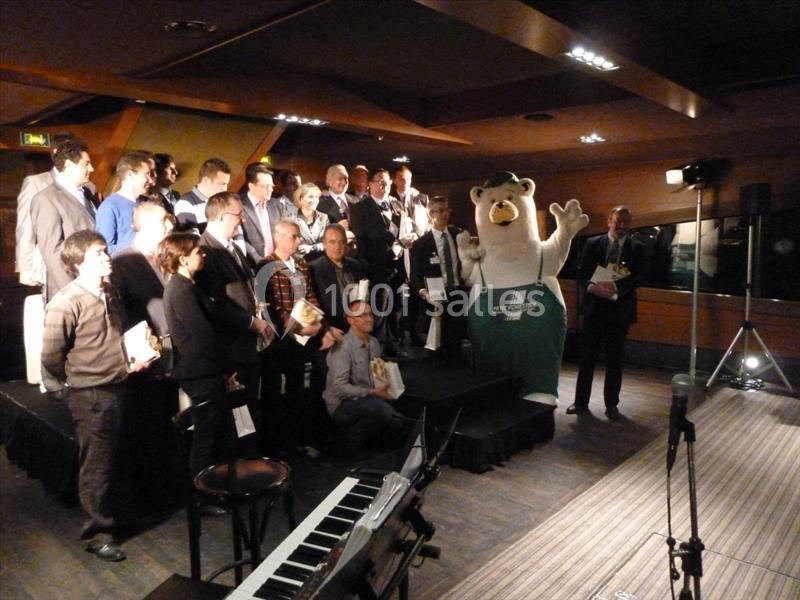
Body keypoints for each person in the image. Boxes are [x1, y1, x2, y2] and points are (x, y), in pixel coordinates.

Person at [41, 230, 144, 562]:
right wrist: (76, 382)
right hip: (91, 394)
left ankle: (118, 517)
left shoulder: (109, 291)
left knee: (116, 457)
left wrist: (131, 360)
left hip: (119, 385)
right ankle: (98, 534)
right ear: (78, 262)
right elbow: (50, 356)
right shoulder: (66, 302)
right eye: (98, 253)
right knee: (96, 465)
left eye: (105, 251)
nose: (106, 257)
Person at [110, 202, 178, 509]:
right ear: (147, 226)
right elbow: (119, 316)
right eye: (163, 221)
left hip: (172, 355)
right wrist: (137, 354)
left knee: (167, 422)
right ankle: (148, 496)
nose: (169, 226)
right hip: (145, 359)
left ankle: (168, 487)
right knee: (145, 426)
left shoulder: (164, 257)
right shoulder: (122, 262)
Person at [259, 219, 340, 452]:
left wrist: (320, 326)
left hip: (304, 339)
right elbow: (272, 307)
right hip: (280, 340)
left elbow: (311, 297)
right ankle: (276, 446)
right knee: (275, 394)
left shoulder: (302, 264)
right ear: (278, 237)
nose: (298, 240)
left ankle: (301, 438)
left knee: (300, 389)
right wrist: (298, 329)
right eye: (293, 236)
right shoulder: (265, 266)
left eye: (298, 236)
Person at [195, 192, 272, 435]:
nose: (243, 220)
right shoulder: (205, 251)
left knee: (249, 408)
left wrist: (257, 313)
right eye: (238, 215)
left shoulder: (233, 247)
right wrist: (251, 322)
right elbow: (216, 303)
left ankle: (251, 452)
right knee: (236, 415)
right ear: (220, 217)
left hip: (246, 344)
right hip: (230, 348)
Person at [161, 233, 232, 477]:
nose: (203, 255)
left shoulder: (187, 285)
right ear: (183, 259)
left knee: (210, 431)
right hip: (201, 373)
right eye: (197, 252)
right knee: (206, 435)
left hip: (204, 370)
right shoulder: (181, 290)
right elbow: (202, 334)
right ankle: (202, 486)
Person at [568, 206, 646, 419]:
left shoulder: (637, 248)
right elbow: (582, 272)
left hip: (620, 311)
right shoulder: (593, 243)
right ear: (609, 221)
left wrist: (616, 287)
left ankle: (612, 406)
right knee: (587, 358)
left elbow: (639, 276)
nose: (621, 226)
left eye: (625, 222)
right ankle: (580, 403)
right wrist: (591, 287)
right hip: (594, 309)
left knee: (615, 360)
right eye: (617, 221)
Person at [322, 300, 403, 456]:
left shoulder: (374, 343)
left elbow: (377, 375)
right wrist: (373, 392)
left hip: (367, 396)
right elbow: (339, 389)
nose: (369, 319)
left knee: (398, 412)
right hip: (342, 403)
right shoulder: (342, 347)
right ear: (350, 320)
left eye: (370, 314)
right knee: (382, 411)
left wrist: (389, 387)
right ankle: (348, 445)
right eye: (362, 315)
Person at [15, 133, 95, 287]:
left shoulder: (89, 187)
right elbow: (26, 225)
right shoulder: (37, 182)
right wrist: (25, 266)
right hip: (58, 263)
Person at [349, 168, 407, 355]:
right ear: (370, 184)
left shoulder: (397, 204)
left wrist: (405, 241)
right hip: (375, 267)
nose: (385, 185)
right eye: (381, 182)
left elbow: (403, 231)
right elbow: (361, 241)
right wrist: (365, 270)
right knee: (379, 308)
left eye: (388, 182)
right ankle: (378, 348)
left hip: (397, 266)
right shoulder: (360, 207)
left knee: (397, 306)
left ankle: (394, 344)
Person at [409, 196, 466, 360]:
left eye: (446, 210)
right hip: (435, 295)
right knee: (438, 345)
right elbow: (414, 275)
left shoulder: (458, 235)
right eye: (439, 211)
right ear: (430, 214)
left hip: (457, 291)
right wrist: (423, 292)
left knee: (457, 339)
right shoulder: (421, 244)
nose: (443, 214)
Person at [309, 224, 365, 333]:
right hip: (331, 329)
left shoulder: (356, 265)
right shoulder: (314, 269)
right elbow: (313, 306)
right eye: (332, 242)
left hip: (357, 326)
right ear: (324, 244)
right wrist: (326, 328)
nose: (337, 247)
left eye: (341, 242)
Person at [96, 151, 152, 256]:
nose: (150, 180)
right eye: (147, 174)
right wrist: (138, 245)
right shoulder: (110, 207)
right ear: (130, 174)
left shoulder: (146, 202)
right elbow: (105, 248)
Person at [239, 163, 280, 268]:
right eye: (266, 186)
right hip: (254, 265)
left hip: (277, 262)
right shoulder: (239, 206)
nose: (271, 189)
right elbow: (239, 238)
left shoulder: (275, 204)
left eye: (271, 186)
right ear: (251, 186)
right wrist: (258, 259)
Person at [174, 158, 230, 232]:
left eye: (226, 184)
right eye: (222, 184)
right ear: (206, 180)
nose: (225, 189)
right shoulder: (185, 204)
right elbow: (191, 237)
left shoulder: (222, 202)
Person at [294, 182, 329, 263]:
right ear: (300, 199)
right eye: (310, 197)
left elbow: (328, 243)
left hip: (321, 262)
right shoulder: (292, 219)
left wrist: (312, 248)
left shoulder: (324, 217)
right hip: (300, 263)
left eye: (316, 197)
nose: (314, 200)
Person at [392, 164, 430, 238]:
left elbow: (430, 221)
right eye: (402, 179)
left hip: (421, 238)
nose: (405, 182)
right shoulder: (390, 199)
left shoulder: (422, 198)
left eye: (408, 179)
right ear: (394, 181)